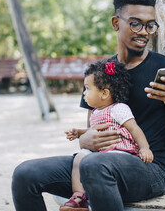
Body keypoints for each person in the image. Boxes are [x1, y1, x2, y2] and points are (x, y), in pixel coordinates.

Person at [11, 0, 165, 211]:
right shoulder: (100, 73)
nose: (144, 32)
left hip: (149, 168)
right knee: (24, 174)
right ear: (116, 23)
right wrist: (85, 139)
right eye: (136, 23)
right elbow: (93, 129)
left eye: (150, 25)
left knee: (94, 165)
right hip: (98, 162)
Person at [61, 59, 153, 211]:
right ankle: (79, 197)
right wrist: (79, 133)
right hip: (99, 152)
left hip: (119, 151)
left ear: (104, 93)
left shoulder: (119, 109)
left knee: (96, 163)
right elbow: (93, 130)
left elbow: (135, 129)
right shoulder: (96, 112)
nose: (84, 93)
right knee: (79, 158)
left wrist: (144, 148)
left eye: (87, 88)